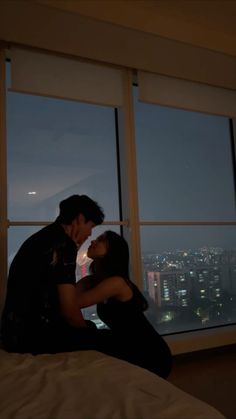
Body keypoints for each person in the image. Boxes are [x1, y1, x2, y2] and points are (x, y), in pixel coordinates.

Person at [1, 194, 104, 354]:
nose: (90, 234)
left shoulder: (42, 238)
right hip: (34, 336)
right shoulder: (64, 246)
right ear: (80, 219)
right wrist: (88, 335)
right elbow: (69, 310)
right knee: (99, 335)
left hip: (13, 332)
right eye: (90, 227)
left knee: (90, 328)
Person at [76, 230, 172, 379]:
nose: (92, 242)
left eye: (100, 240)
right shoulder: (94, 280)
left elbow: (75, 303)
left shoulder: (117, 283)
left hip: (150, 354)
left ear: (112, 251)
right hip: (128, 346)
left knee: (88, 336)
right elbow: (70, 296)